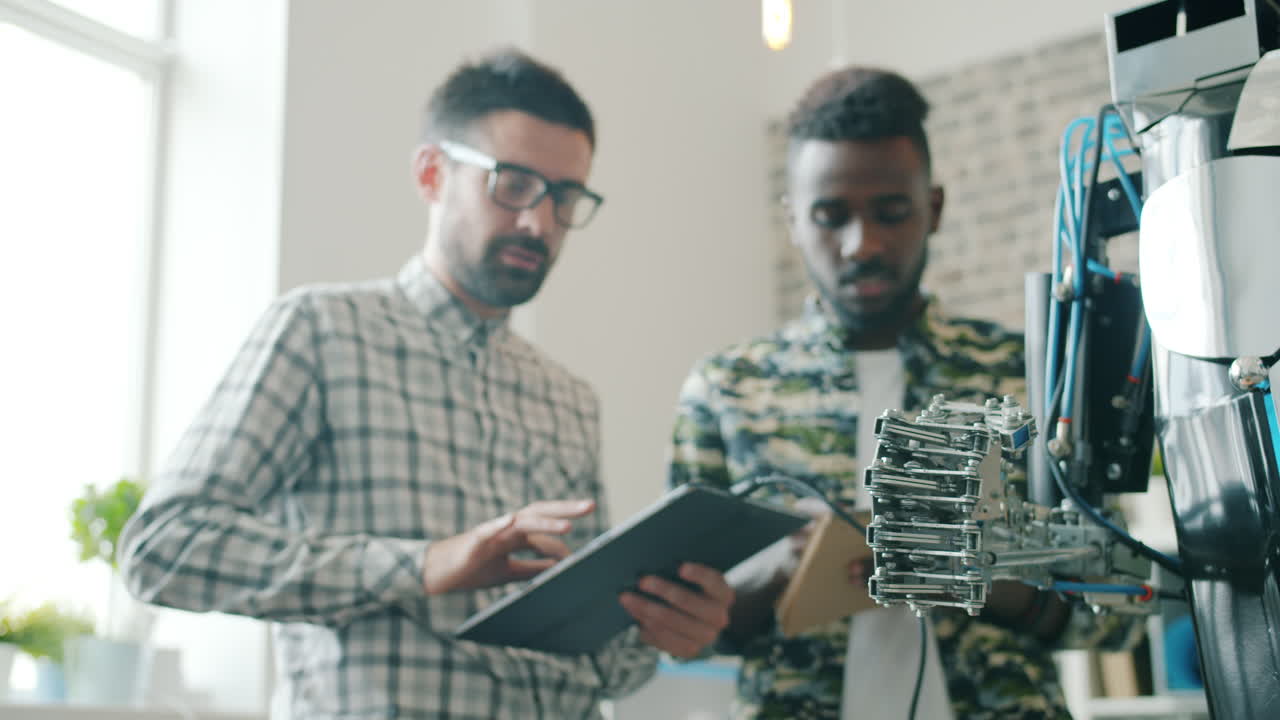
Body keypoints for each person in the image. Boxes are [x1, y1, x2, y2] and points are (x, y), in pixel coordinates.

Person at [119, 49, 733, 719]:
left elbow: (607, 667)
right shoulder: (322, 330)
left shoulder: (569, 398)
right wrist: (422, 565)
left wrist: (665, 627)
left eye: (565, 196)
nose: (539, 222)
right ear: (432, 174)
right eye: (514, 184)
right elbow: (163, 548)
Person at [668, 66, 1139, 719]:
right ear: (793, 223)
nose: (863, 244)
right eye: (830, 217)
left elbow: (1122, 612)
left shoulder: (1030, 374)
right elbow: (678, 629)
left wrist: (979, 564)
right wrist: (788, 568)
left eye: (891, 212)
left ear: (934, 208)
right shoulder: (726, 390)